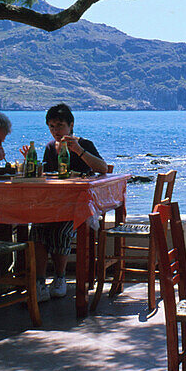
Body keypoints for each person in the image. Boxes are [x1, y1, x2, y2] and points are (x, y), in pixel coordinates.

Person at [30, 103, 107, 301]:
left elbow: (103, 168)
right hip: (53, 204)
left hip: (79, 207)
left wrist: (79, 150)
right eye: (52, 126)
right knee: (37, 229)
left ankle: (60, 277)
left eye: (60, 125)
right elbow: (47, 176)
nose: (56, 131)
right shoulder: (50, 148)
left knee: (61, 230)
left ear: (71, 125)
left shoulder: (84, 145)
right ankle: (40, 281)